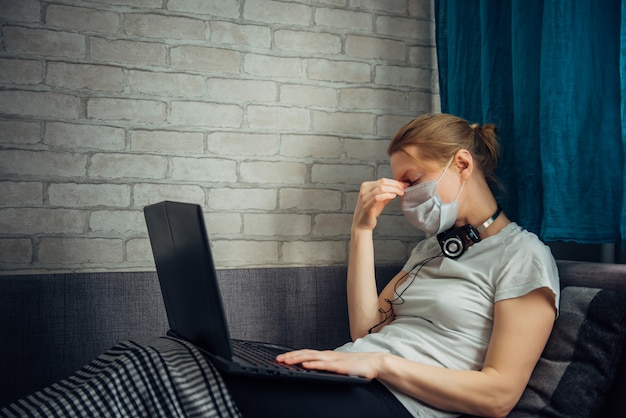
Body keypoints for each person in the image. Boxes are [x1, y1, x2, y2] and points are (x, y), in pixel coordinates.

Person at [226, 113, 559, 418]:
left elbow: (498, 396)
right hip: (354, 376)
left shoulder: (523, 255)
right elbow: (366, 330)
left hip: (398, 400)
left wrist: (382, 363)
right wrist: (362, 230)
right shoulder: (430, 249)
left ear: (461, 163)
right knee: (216, 377)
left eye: (412, 181)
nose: (404, 196)